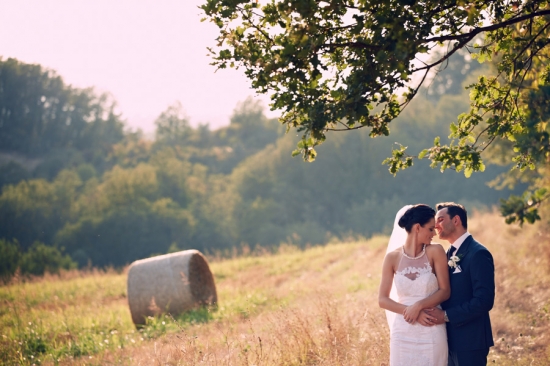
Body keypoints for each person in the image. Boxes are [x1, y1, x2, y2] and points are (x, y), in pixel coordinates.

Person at [423, 202, 495, 366]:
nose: (436, 225)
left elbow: (484, 301)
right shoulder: (447, 253)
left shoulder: (478, 253)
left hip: (471, 340)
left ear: (456, 220)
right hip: (449, 339)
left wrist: (446, 316)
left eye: (440, 220)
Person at [379, 204, 451, 366]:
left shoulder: (435, 251)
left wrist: (418, 306)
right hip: (402, 331)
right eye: (431, 229)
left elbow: (445, 291)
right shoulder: (392, 258)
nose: (434, 234)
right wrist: (411, 311)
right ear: (418, 227)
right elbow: (382, 300)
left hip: (431, 327)